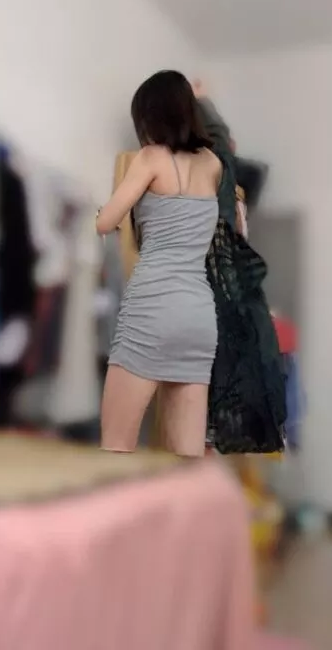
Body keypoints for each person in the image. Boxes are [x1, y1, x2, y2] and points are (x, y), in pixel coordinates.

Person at [96, 71, 222, 457]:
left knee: (115, 447)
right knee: (188, 459)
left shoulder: (151, 158)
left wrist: (103, 212)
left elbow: (106, 222)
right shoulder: (212, 164)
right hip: (198, 316)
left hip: (153, 308)